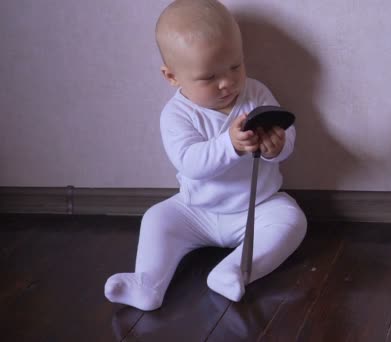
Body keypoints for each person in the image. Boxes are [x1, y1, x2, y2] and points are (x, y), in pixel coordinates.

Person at [104, 0, 307, 311]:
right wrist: (231, 145)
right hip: (195, 210)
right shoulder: (176, 114)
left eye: (235, 66)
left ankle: (234, 271)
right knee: (157, 218)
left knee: (292, 219)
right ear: (172, 77)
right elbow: (189, 162)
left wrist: (277, 147)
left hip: (257, 206)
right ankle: (147, 283)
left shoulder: (255, 93)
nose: (227, 83)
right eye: (209, 77)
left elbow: (283, 134)